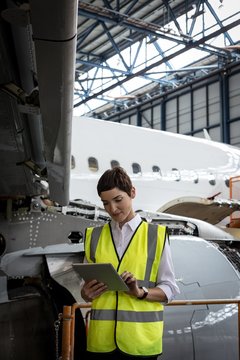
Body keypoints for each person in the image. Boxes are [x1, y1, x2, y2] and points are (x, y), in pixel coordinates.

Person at [81, 166, 179, 359]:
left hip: (141, 344)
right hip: (101, 343)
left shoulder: (156, 236)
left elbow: (170, 289)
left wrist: (140, 292)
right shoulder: (93, 237)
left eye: (118, 200)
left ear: (132, 192)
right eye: (106, 203)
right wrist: (86, 293)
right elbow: (85, 290)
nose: (113, 209)